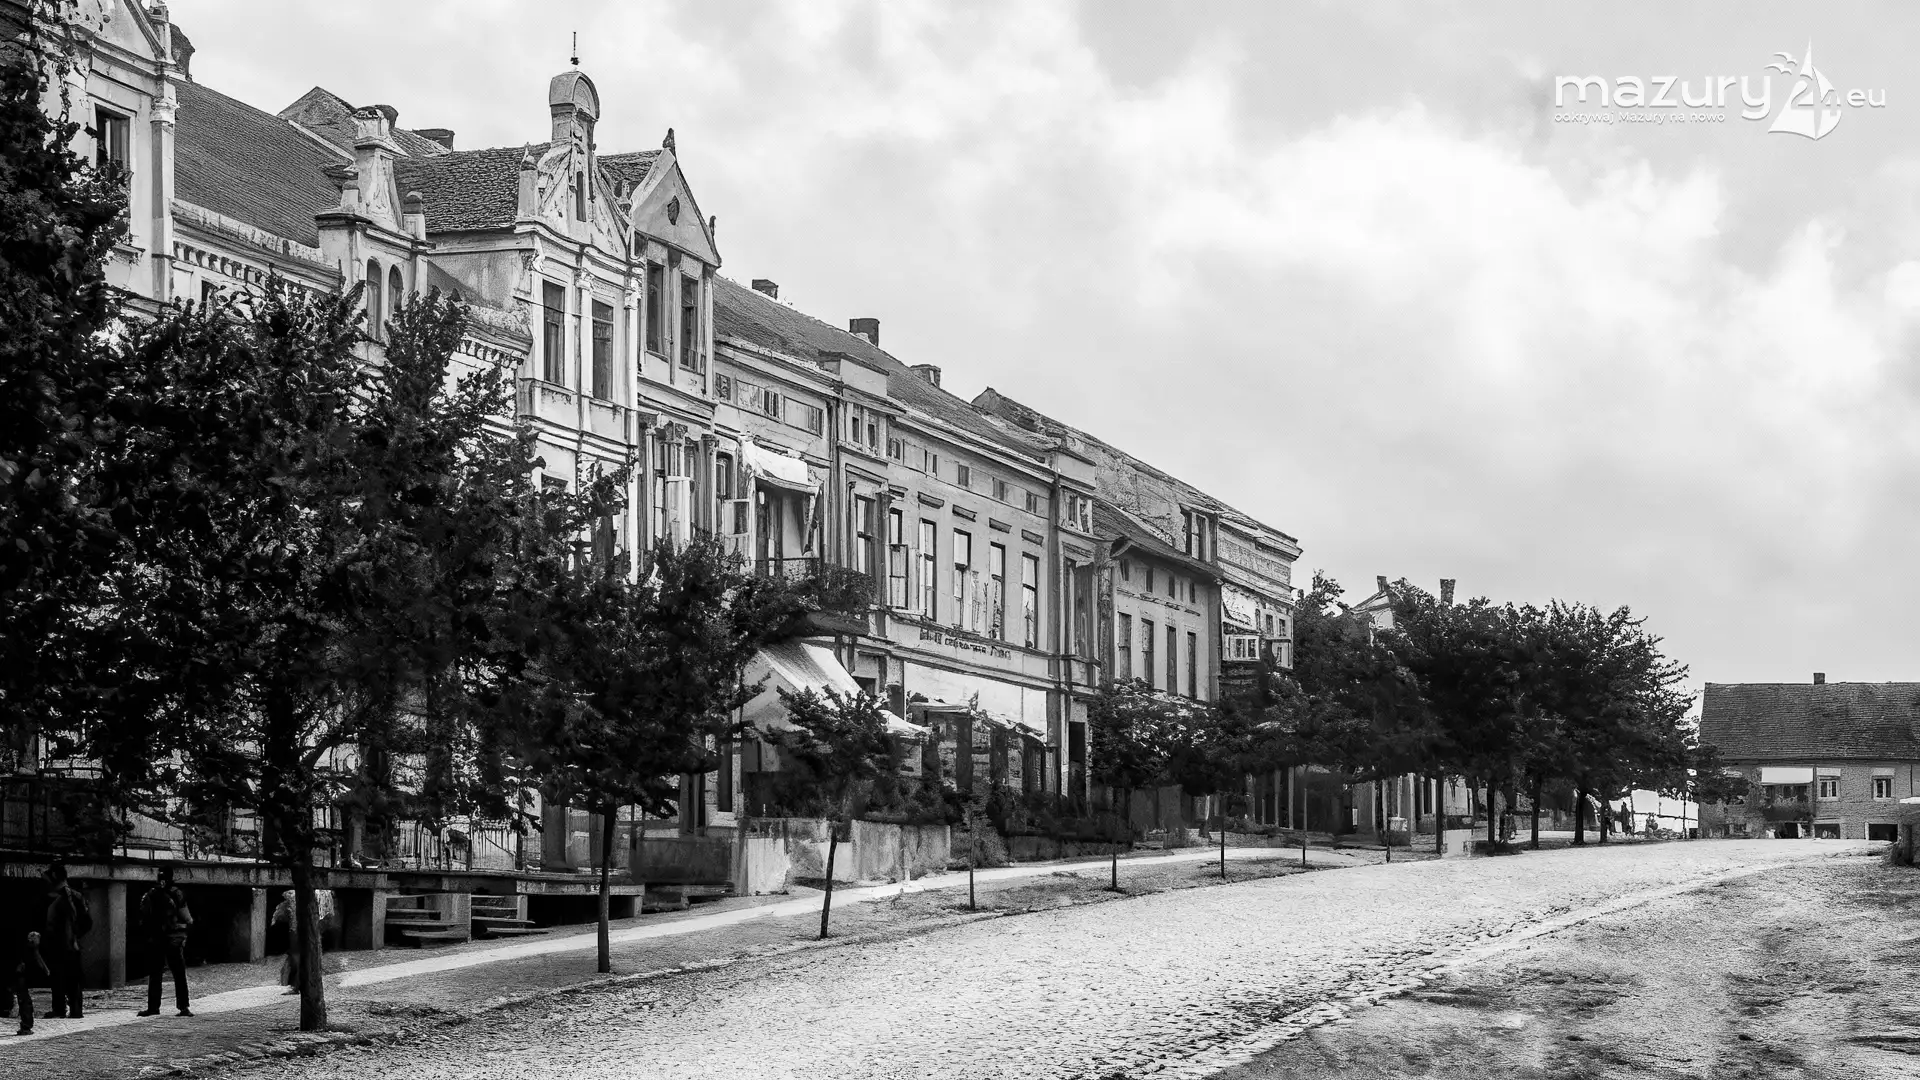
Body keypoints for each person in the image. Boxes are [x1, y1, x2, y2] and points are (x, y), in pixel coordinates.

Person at [137, 868, 193, 1017]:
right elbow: (188, 918)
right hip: (173, 939)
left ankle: (153, 1007)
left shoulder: (150, 893)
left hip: (156, 938)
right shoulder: (176, 893)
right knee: (179, 974)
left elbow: (143, 916)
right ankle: (183, 1007)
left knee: (155, 974)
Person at [40, 862, 88, 1020]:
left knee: (59, 977)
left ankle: (61, 1009)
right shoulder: (77, 896)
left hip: (61, 945)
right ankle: (75, 1009)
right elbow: (87, 922)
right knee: (72, 978)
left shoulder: (58, 898)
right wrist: (76, 935)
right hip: (72, 944)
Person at [2, 932, 48, 1036]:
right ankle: (26, 1025)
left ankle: (26, 1025)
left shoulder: (29, 949)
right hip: (20, 975)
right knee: (24, 1000)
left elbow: (37, 958)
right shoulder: (27, 949)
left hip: (21, 975)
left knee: (23, 999)